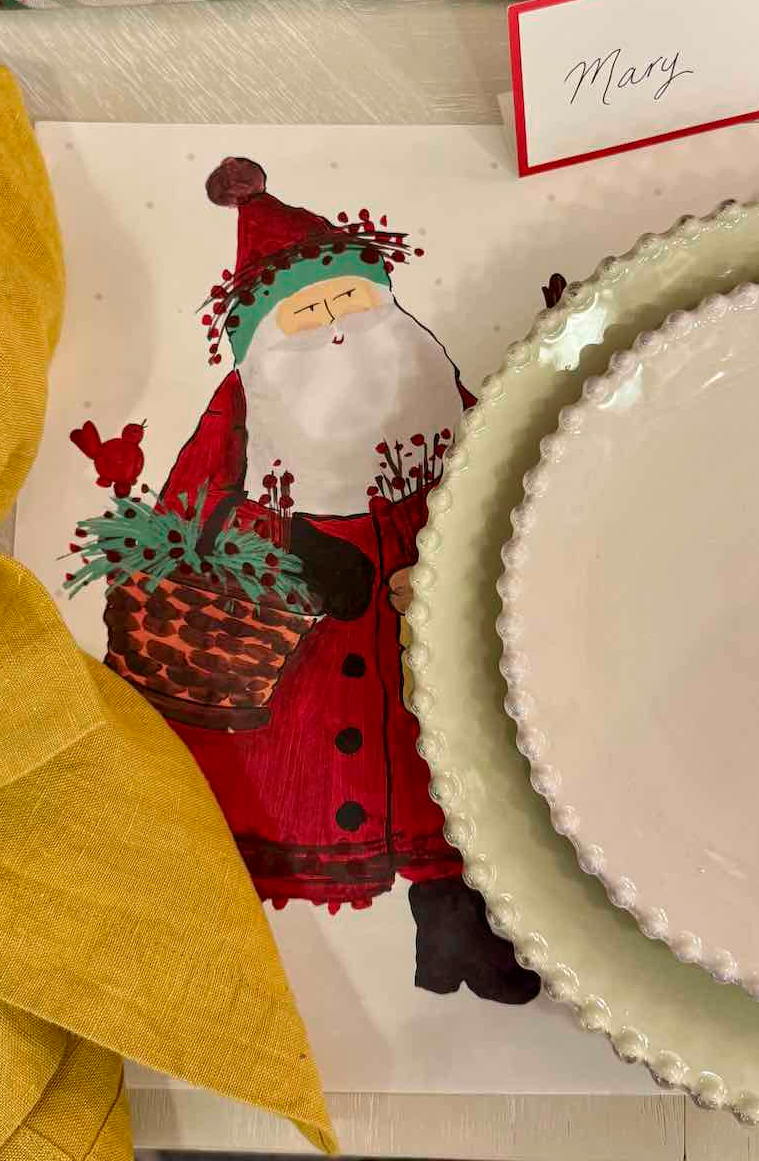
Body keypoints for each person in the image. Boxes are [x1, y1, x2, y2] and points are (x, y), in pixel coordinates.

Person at [153, 157, 539, 1004]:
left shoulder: (429, 382)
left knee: (441, 759)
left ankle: (456, 930)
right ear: (264, 339)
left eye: (349, 302)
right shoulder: (243, 407)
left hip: (416, 596)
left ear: (382, 303)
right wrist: (282, 546)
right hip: (302, 631)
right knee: (333, 773)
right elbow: (187, 511)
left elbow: (494, 455)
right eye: (308, 312)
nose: (334, 325)